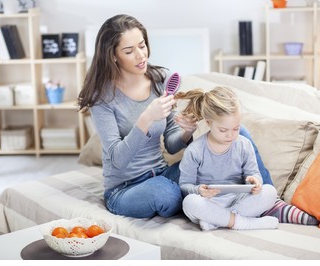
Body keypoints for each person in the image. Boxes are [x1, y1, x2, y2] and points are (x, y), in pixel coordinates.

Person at [77, 14, 198, 219]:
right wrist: (146, 118)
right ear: (113, 56)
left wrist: (187, 132)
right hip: (125, 189)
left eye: (142, 46)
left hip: (162, 173)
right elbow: (117, 160)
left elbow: (171, 144)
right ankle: (194, 195)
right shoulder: (103, 98)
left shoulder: (160, 81)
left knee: (225, 146)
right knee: (164, 193)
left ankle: (265, 197)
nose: (141, 55)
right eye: (129, 51)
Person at [175, 86, 279, 231]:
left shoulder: (244, 145)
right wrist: (199, 190)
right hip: (209, 202)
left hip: (238, 200)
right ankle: (245, 223)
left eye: (236, 128)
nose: (230, 135)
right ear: (208, 122)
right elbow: (184, 186)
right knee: (189, 202)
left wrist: (255, 180)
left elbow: (254, 173)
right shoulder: (195, 150)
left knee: (270, 192)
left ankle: (217, 221)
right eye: (223, 130)